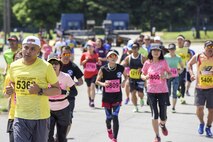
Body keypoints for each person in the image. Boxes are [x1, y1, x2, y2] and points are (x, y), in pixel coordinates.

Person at [5, 36, 61, 142]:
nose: (28, 51)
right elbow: (12, 82)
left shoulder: (46, 66)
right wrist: (11, 89)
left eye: (32, 49)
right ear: (21, 48)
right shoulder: (14, 66)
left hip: (40, 117)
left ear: (39, 51)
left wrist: (40, 91)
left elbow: (57, 89)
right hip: (20, 116)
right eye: (26, 47)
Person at [141, 44, 171, 142]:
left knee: (163, 116)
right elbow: (142, 73)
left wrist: (165, 75)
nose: (156, 52)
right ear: (151, 52)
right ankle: (157, 136)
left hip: (163, 91)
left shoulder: (164, 62)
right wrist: (144, 77)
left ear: (160, 52)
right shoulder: (147, 63)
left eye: (158, 50)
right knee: (154, 115)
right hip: (151, 91)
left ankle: (162, 124)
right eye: (154, 50)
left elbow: (170, 73)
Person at [96, 49, 127, 142]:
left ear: (117, 58)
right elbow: (97, 81)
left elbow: (126, 76)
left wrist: (124, 82)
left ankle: (115, 138)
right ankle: (109, 129)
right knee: (109, 118)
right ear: (107, 58)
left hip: (117, 96)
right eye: (111, 56)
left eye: (115, 56)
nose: (113, 58)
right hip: (107, 97)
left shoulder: (121, 68)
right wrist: (103, 84)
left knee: (115, 116)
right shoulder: (103, 69)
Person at [188, 40, 213, 137]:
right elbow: (189, 64)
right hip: (200, 87)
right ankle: (202, 123)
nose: (210, 49)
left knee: (211, 110)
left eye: (212, 47)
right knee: (199, 108)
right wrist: (192, 74)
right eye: (208, 47)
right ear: (204, 48)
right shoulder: (198, 56)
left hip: (212, 88)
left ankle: (208, 127)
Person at [47, 56, 76, 142]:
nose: (53, 66)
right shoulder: (44, 77)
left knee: (61, 137)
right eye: (51, 64)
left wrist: (64, 92)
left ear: (60, 66)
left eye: (56, 63)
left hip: (63, 109)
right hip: (48, 109)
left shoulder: (66, 76)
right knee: (48, 136)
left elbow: (74, 92)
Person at [60, 45, 83, 136]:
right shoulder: (55, 65)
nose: (66, 56)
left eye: (68, 54)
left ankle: (62, 137)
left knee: (68, 119)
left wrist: (74, 84)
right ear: (60, 54)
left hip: (69, 97)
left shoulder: (73, 66)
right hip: (55, 96)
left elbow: (81, 81)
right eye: (64, 53)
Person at [4, 51, 23, 142]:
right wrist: (8, 92)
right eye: (16, 59)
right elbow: (5, 95)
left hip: (29, 115)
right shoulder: (9, 76)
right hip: (13, 115)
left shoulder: (32, 75)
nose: (18, 61)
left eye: (21, 59)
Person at [122, 42, 146, 112]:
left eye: (136, 48)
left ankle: (141, 99)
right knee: (133, 93)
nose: (134, 49)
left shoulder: (142, 57)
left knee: (140, 93)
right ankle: (135, 107)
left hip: (140, 78)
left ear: (138, 49)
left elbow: (147, 66)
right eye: (133, 48)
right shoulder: (128, 57)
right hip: (132, 78)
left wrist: (141, 69)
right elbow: (123, 64)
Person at [164, 43, 184, 113]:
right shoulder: (165, 57)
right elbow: (162, 66)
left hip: (175, 76)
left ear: (175, 49)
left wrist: (180, 71)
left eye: (173, 49)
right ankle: (166, 105)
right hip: (167, 76)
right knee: (168, 92)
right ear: (168, 50)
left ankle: (173, 107)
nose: (171, 51)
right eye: (170, 49)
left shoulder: (178, 57)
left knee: (174, 92)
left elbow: (182, 67)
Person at [80, 41, 99, 107]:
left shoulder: (96, 55)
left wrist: (98, 62)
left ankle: (92, 101)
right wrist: (86, 60)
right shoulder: (84, 54)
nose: (90, 48)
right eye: (88, 46)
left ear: (94, 48)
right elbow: (81, 63)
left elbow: (98, 62)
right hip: (87, 73)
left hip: (94, 73)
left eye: (91, 46)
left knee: (92, 86)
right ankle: (90, 99)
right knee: (88, 87)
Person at [175, 35, 189, 104]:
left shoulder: (186, 49)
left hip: (183, 68)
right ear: (177, 41)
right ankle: (177, 90)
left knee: (182, 82)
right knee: (177, 81)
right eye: (178, 40)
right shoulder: (174, 49)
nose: (179, 41)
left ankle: (182, 97)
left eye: (181, 40)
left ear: (183, 41)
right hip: (175, 69)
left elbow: (190, 57)